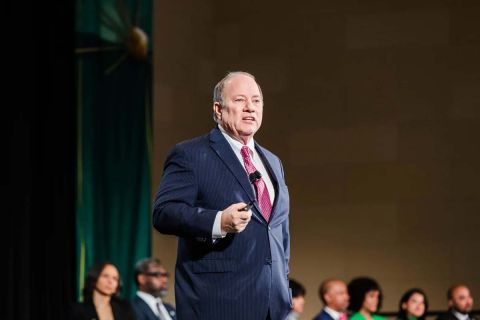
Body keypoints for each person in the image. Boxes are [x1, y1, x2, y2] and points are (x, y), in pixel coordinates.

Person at [153, 71, 291, 320]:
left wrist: (282, 280)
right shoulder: (191, 154)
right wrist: (218, 222)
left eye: (256, 100)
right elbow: (164, 213)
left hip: (273, 305)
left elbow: (279, 231)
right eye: (239, 100)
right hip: (219, 303)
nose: (250, 107)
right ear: (218, 109)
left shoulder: (272, 161)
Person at [70, 262, 136, 320]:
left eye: (115, 278)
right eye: (105, 276)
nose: (110, 281)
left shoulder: (125, 309)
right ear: (94, 278)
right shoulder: (77, 310)